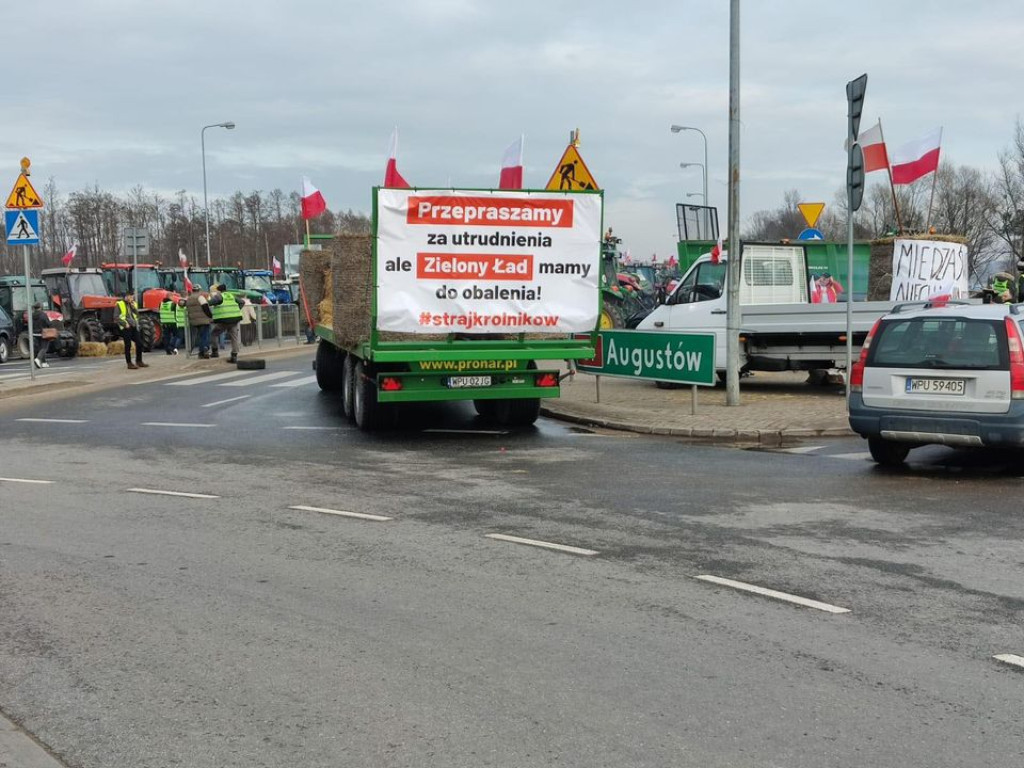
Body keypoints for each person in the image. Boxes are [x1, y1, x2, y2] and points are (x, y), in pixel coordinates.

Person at [209, 283, 244, 363]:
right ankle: (234, 355)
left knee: (214, 334)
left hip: (224, 320)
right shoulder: (231, 295)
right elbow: (242, 302)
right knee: (234, 337)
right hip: (234, 319)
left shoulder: (219, 296)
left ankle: (215, 352)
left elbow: (210, 303)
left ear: (219, 290)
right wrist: (236, 310)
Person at [115, 291, 149, 370]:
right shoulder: (119, 304)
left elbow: (137, 315)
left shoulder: (133, 304)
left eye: (132, 297)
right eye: (130, 297)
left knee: (139, 343)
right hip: (125, 327)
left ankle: (139, 361)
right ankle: (129, 363)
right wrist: (124, 324)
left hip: (133, 326)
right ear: (126, 297)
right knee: (128, 345)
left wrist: (133, 307)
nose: (131, 298)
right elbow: (116, 317)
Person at [185, 284, 213, 358]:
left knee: (200, 336)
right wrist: (210, 316)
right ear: (200, 290)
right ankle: (204, 350)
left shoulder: (189, 298)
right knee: (205, 335)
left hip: (194, 321)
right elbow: (205, 308)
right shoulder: (200, 297)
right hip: (203, 320)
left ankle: (201, 352)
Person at [31, 303, 52, 369]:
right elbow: (48, 323)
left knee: (40, 348)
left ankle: (44, 363)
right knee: (44, 348)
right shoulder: (43, 315)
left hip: (34, 333)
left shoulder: (32, 315)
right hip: (43, 333)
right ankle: (38, 359)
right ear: (40, 307)